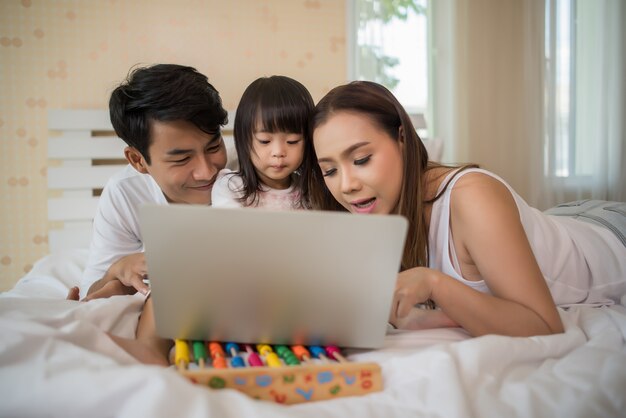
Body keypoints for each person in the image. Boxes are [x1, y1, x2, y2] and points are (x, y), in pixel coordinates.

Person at [305, 80, 626, 337]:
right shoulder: (376, 211)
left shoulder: (471, 196)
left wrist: (435, 283)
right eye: (330, 170)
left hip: (610, 235)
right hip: (562, 220)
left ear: (402, 138)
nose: (346, 184)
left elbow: (544, 325)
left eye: (361, 160)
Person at [68, 63, 230, 365]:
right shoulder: (126, 194)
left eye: (214, 146)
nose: (207, 171)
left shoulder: (246, 174)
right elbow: (95, 293)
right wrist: (117, 270)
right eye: (182, 158)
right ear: (138, 160)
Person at [211, 75, 315, 210]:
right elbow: (229, 228)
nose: (278, 152)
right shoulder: (232, 187)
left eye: (292, 141)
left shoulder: (311, 191)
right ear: (245, 140)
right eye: (264, 141)